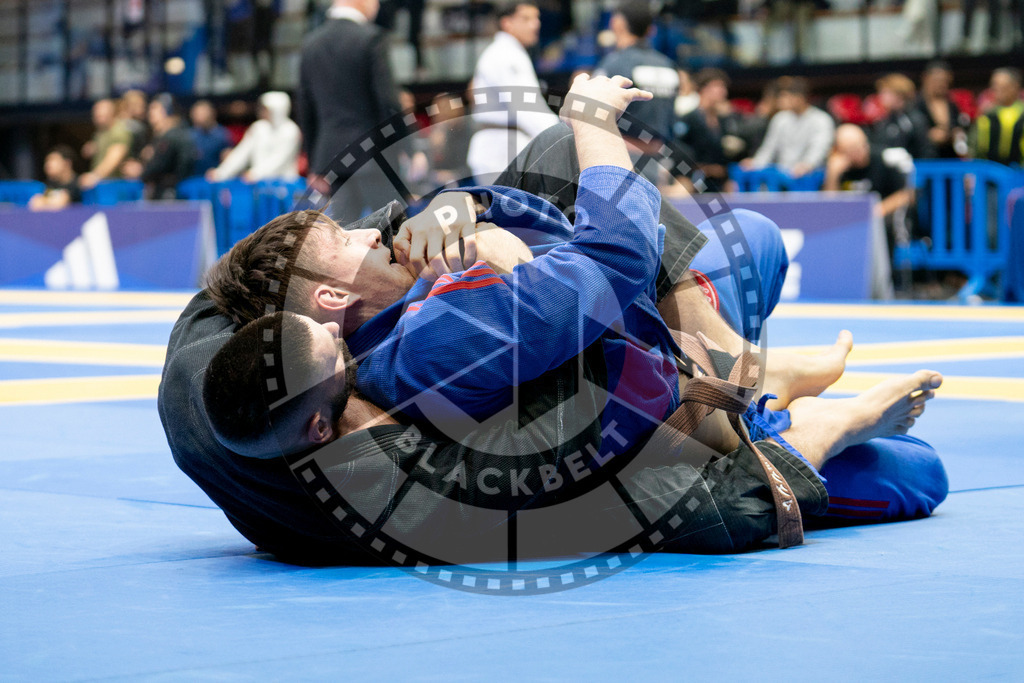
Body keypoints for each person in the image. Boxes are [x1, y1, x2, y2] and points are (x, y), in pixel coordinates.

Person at [187, 76, 946, 560]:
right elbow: (609, 263)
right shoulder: (423, 352)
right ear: (327, 304)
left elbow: (540, 245)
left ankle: (740, 362)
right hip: (645, 411)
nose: (370, 229)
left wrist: (477, 214)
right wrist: (590, 121)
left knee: (750, 239)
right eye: (350, 239)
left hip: (634, 357)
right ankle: (778, 404)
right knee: (918, 474)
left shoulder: (399, 290)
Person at [297, 0, 416, 220]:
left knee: (345, 236)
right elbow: (388, 102)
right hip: (375, 156)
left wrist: (314, 163)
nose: (378, 5)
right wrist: (409, 148)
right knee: (395, 233)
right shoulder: (371, 38)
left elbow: (306, 107)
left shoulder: (310, 43)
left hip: (332, 158)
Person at [466, 2, 560, 183]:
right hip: (499, 152)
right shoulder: (505, 55)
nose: (535, 24)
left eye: (536, 18)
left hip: (505, 147)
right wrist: (562, 136)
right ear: (507, 23)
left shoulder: (508, 52)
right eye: (526, 19)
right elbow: (528, 110)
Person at [594, 0, 680, 161]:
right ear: (651, 30)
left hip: (622, 158)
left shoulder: (614, 65)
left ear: (617, 24)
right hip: (661, 160)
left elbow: (592, 116)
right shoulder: (669, 65)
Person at [824, 124, 915, 266]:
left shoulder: (881, 160)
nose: (859, 151)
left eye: (861, 146)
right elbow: (829, 205)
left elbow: (906, 194)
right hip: (848, 221)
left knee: (884, 225)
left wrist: (879, 210)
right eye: (850, 150)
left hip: (879, 218)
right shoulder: (840, 169)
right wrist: (833, 175)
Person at [742, 76, 834, 178]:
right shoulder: (780, 118)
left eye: (787, 97)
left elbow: (819, 148)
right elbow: (769, 147)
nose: (782, 100)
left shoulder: (821, 119)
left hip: (810, 174)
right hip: (782, 173)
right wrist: (755, 163)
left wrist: (807, 164)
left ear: (800, 97)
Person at [207, 91, 301, 182]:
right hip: (259, 185)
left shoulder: (290, 130)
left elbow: (279, 159)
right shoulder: (258, 128)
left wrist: (256, 174)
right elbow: (242, 152)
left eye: (266, 109)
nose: (262, 112)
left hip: (284, 184)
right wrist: (221, 173)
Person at [675, 68, 740, 193]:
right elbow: (678, 151)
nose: (723, 91)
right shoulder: (690, 118)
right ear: (703, 89)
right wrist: (703, 168)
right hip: (693, 178)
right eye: (717, 86)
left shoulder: (725, 121)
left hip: (720, 180)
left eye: (723, 87)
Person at [122, 94, 196, 200]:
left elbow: (159, 166)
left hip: (171, 194)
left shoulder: (172, 135)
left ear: (167, 111)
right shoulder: (165, 135)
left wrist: (141, 171)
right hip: (169, 192)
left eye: (155, 108)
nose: (150, 113)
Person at [871, 73, 936, 160]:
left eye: (886, 92)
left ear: (899, 95)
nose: (881, 96)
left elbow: (926, 151)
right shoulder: (882, 122)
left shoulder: (916, 120)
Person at [914, 61, 970, 160]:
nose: (941, 85)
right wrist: (927, 136)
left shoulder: (952, 105)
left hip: (949, 159)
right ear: (926, 78)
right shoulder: (915, 105)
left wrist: (956, 135)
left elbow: (959, 128)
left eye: (945, 81)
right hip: (925, 160)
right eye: (937, 80)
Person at [971, 67, 1024, 167]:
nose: (995, 89)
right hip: (988, 173)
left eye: (1001, 86)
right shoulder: (986, 115)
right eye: (994, 85)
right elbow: (974, 146)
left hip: (1018, 174)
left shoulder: (1021, 113)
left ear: (1015, 87)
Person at [79, 99, 132, 190]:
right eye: (96, 115)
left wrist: (94, 176)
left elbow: (114, 157)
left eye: (102, 115)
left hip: (115, 186)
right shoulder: (100, 133)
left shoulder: (118, 131)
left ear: (111, 113)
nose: (98, 118)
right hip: (103, 185)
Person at [28, 146, 82, 211]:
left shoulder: (79, 183)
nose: (48, 165)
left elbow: (61, 202)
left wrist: (45, 202)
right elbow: (36, 203)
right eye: (47, 161)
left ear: (67, 163)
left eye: (53, 160)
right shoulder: (50, 183)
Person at [189, 100, 232, 177]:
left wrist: (220, 172)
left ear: (212, 113)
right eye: (196, 114)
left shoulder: (222, 134)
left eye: (202, 113)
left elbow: (228, 160)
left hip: (214, 179)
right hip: (193, 178)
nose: (198, 117)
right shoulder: (190, 134)